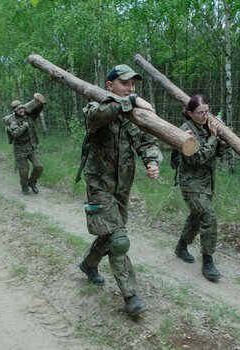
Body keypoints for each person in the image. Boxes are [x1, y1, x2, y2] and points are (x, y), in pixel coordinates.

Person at [78, 64, 163, 316]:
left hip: (122, 187)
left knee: (109, 235)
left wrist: (152, 161)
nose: (130, 88)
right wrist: (133, 101)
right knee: (119, 240)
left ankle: (88, 264)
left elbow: (147, 143)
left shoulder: (132, 117)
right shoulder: (95, 108)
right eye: (125, 83)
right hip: (99, 185)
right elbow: (98, 117)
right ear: (109, 85)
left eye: (133, 85)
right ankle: (130, 296)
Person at [174, 94, 228, 280]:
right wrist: (213, 138)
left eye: (207, 112)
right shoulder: (185, 131)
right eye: (200, 113)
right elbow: (197, 158)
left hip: (207, 183)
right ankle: (208, 261)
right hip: (191, 184)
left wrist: (222, 138)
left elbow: (217, 153)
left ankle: (181, 246)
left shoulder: (207, 127)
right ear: (189, 113)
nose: (204, 116)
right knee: (208, 217)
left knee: (197, 217)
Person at [5, 94, 45, 195]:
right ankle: (24, 188)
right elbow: (15, 134)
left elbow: (38, 109)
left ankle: (32, 182)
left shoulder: (29, 115)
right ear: (14, 111)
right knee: (24, 172)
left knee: (39, 166)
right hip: (20, 150)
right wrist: (23, 126)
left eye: (22, 108)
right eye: (18, 109)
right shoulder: (12, 121)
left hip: (32, 147)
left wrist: (39, 101)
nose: (21, 110)